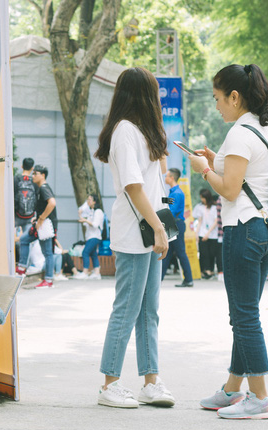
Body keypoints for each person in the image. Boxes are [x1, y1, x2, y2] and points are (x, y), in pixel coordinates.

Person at [188, 64, 268, 419]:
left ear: (235, 97)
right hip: (266, 232)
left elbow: (229, 188)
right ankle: (232, 389)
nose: (216, 106)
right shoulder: (264, 130)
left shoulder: (240, 133)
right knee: (247, 315)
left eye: (218, 99)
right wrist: (216, 161)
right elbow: (247, 177)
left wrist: (205, 170)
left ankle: (260, 398)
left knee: (243, 318)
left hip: (244, 230)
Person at [93, 67, 174, 409]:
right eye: (154, 92)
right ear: (143, 95)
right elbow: (132, 186)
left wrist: (159, 225)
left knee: (148, 311)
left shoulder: (140, 131)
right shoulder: (125, 131)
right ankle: (110, 383)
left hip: (150, 233)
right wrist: (157, 227)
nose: (158, 98)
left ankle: (150, 381)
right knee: (127, 309)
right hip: (135, 233)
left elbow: (154, 183)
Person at [15, 164, 58, 289]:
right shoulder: (41, 188)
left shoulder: (44, 188)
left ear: (42, 175)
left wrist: (41, 218)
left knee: (48, 253)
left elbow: (52, 203)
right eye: (33, 173)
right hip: (40, 224)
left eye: (35, 174)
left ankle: (48, 280)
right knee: (24, 239)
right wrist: (37, 217)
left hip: (45, 226)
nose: (32, 176)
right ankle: (22, 267)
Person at [160, 168, 194, 287]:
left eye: (167, 176)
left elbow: (171, 212)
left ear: (172, 178)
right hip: (175, 224)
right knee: (168, 252)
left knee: (180, 252)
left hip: (176, 224)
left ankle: (189, 279)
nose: (165, 178)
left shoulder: (177, 193)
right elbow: (165, 203)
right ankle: (159, 279)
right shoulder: (174, 192)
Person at [74, 194, 104, 279]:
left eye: (90, 200)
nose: (88, 201)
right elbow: (83, 220)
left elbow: (95, 224)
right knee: (93, 254)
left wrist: (85, 220)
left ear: (94, 201)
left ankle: (85, 272)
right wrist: (80, 215)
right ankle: (97, 273)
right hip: (90, 236)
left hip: (95, 237)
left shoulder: (98, 212)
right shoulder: (91, 211)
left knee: (85, 252)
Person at [192, 188, 219, 279]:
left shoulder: (214, 208)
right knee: (204, 253)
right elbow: (199, 221)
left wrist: (208, 233)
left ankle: (210, 270)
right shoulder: (200, 207)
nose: (201, 199)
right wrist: (196, 233)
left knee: (212, 253)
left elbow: (216, 221)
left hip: (213, 234)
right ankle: (205, 270)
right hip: (202, 233)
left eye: (203, 197)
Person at [14, 157, 37, 235]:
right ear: (32, 168)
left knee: (13, 239)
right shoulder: (34, 181)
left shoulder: (16, 179)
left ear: (22, 166)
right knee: (26, 240)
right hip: (30, 216)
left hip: (16, 216)